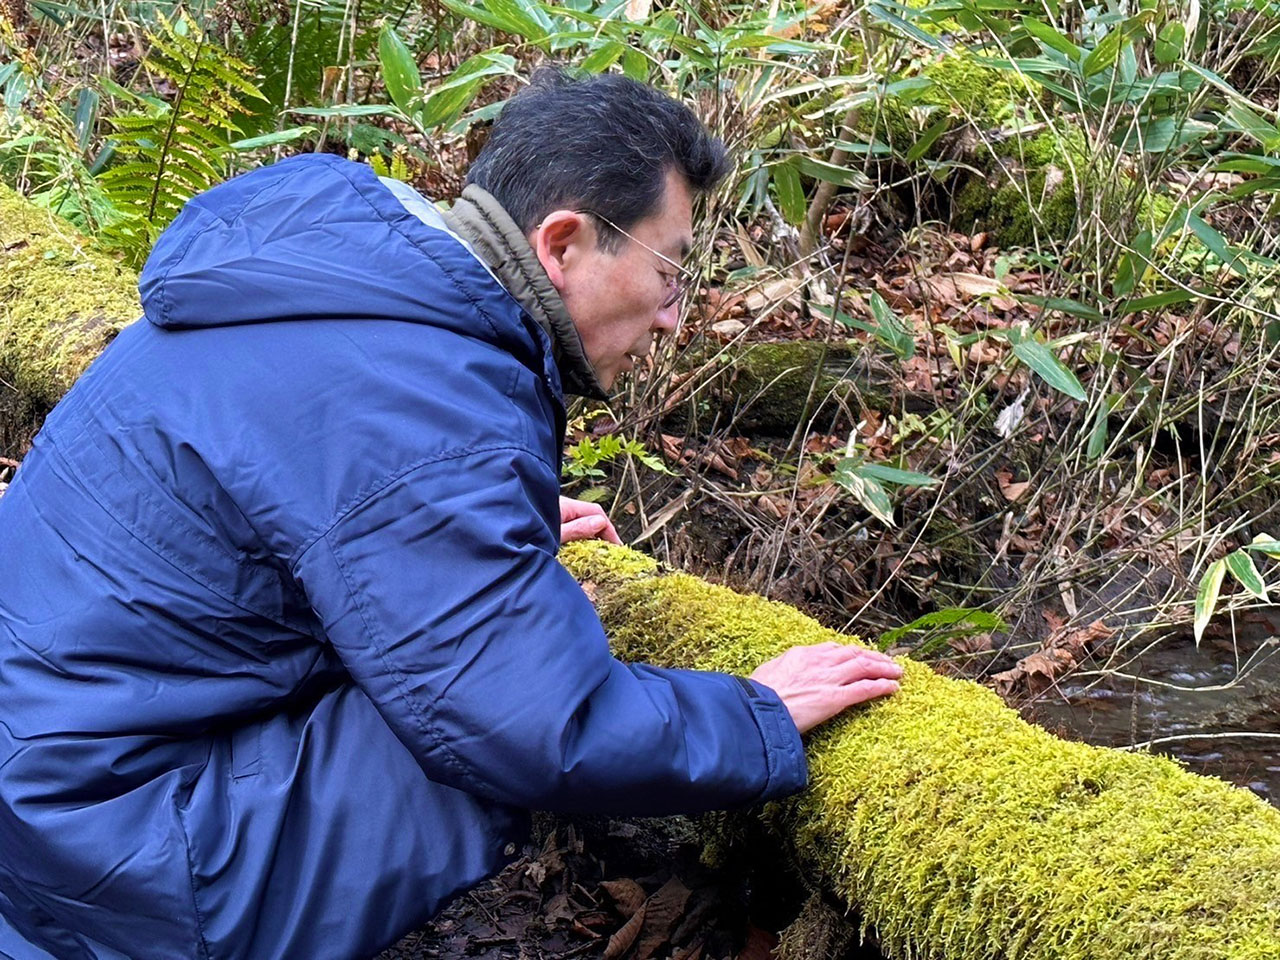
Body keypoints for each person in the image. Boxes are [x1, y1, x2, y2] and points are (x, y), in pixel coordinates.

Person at [0, 70, 902, 959]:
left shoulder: (349, 274)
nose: (673, 318)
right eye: (668, 273)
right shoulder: (426, 399)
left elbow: (314, 481)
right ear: (563, 245)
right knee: (465, 736)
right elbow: (536, 722)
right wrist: (755, 715)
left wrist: (476, 523)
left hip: (39, 764)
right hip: (105, 848)